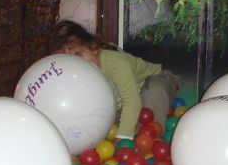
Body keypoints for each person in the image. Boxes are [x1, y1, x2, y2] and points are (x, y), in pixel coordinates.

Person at [50, 20, 180, 141]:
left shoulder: (115, 63)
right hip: (123, 105)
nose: (77, 63)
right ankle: (136, 132)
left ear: (93, 48)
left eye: (79, 54)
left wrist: (123, 137)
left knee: (154, 90)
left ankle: (151, 137)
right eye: (70, 61)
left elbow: (131, 100)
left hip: (155, 81)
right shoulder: (78, 77)